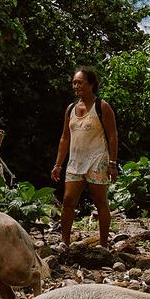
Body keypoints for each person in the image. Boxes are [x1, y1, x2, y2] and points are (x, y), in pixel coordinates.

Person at [50, 66, 119, 249]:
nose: (76, 86)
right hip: (75, 161)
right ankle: (64, 241)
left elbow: (112, 136)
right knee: (68, 200)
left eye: (80, 82)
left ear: (91, 84)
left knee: (100, 202)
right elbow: (65, 138)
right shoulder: (71, 109)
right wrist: (58, 164)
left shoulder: (101, 106)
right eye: (74, 82)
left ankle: (104, 244)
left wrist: (112, 163)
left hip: (97, 159)